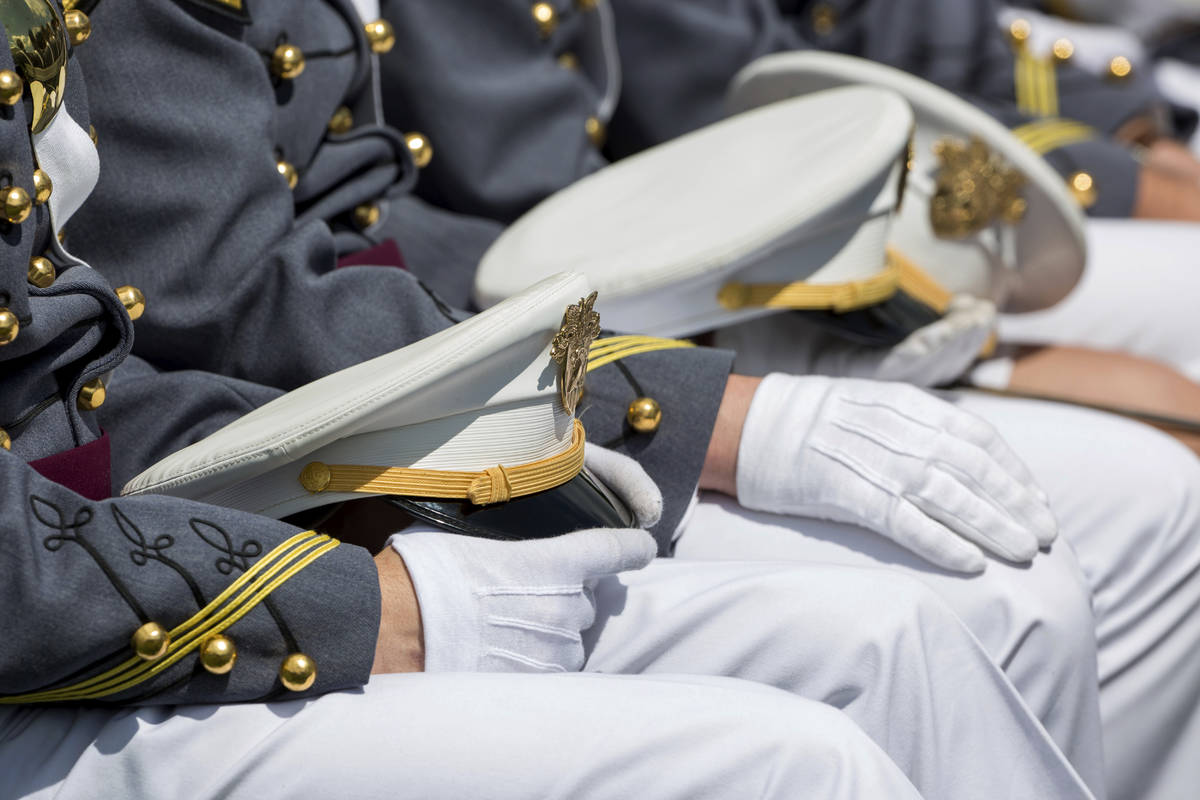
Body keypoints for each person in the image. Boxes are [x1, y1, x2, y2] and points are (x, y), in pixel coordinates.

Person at [63, 0, 1192, 796]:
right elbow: (234, 301)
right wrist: (696, 381)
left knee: (1065, 552)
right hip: (172, 543)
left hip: (436, 365)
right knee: (874, 691)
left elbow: (383, 227)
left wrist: (719, 339)